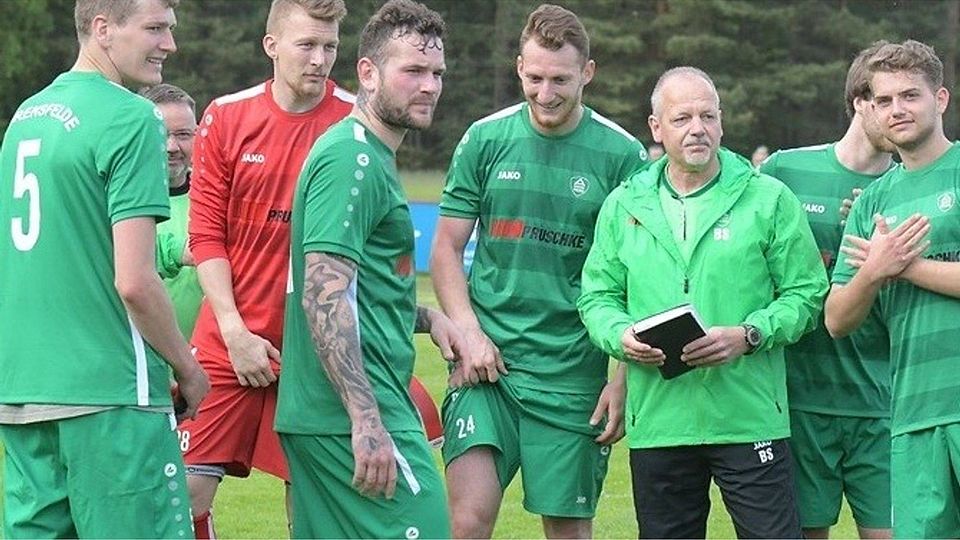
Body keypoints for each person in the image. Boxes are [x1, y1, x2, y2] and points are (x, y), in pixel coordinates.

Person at [578, 66, 827, 539]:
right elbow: (598, 296)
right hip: (659, 420)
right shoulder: (623, 204)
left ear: (722, 122)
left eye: (708, 116)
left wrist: (750, 335)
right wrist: (620, 336)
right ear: (656, 128)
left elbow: (807, 292)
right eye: (683, 117)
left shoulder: (768, 198)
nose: (698, 128)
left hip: (749, 415)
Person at [430, 4, 646, 538]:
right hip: (487, 368)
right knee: (466, 522)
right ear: (518, 68)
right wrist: (469, 331)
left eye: (560, 80)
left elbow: (639, 276)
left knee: (567, 530)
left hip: (572, 374)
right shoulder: (484, 138)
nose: (545, 93)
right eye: (534, 78)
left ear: (587, 73)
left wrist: (622, 377)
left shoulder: (623, 156)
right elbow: (445, 248)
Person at [0, 0, 209, 537]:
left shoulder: (26, 116)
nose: (170, 44)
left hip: (24, 389)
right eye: (155, 29)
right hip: (110, 392)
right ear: (102, 29)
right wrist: (186, 367)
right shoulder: (131, 115)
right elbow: (135, 280)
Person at [274, 1, 456, 537]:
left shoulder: (369, 157)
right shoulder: (350, 159)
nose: (429, 86)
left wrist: (427, 318)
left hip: (334, 413)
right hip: (350, 413)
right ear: (368, 73)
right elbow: (322, 294)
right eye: (413, 71)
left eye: (437, 73)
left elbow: (361, 287)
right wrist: (366, 419)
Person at [183, 0, 353, 536]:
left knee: (312, 503)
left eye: (329, 46)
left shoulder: (356, 121)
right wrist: (234, 331)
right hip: (227, 340)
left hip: (314, 350)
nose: (320, 59)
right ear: (271, 45)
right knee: (182, 497)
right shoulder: (226, 116)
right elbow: (206, 234)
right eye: (306, 45)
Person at [759, 43, 895, 540]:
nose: (898, 113)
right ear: (860, 102)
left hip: (882, 402)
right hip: (798, 401)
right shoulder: (784, 172)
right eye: (884, 100)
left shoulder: (908, 187)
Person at [825, 39, 960, 539]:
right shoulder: (873, 201)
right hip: (911, 415)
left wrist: (902, 266)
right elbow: (837, 318)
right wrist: (871, 272)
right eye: (883, 101)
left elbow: (899, 266)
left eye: (910, 95)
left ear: (940, 100)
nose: (897, 110)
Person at [142, 82, 203, 338]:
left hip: (206, 365)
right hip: (141, 364)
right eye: (161, 134)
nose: (171, 147)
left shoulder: (214, 201)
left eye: (183, 135)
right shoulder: (112, 201)